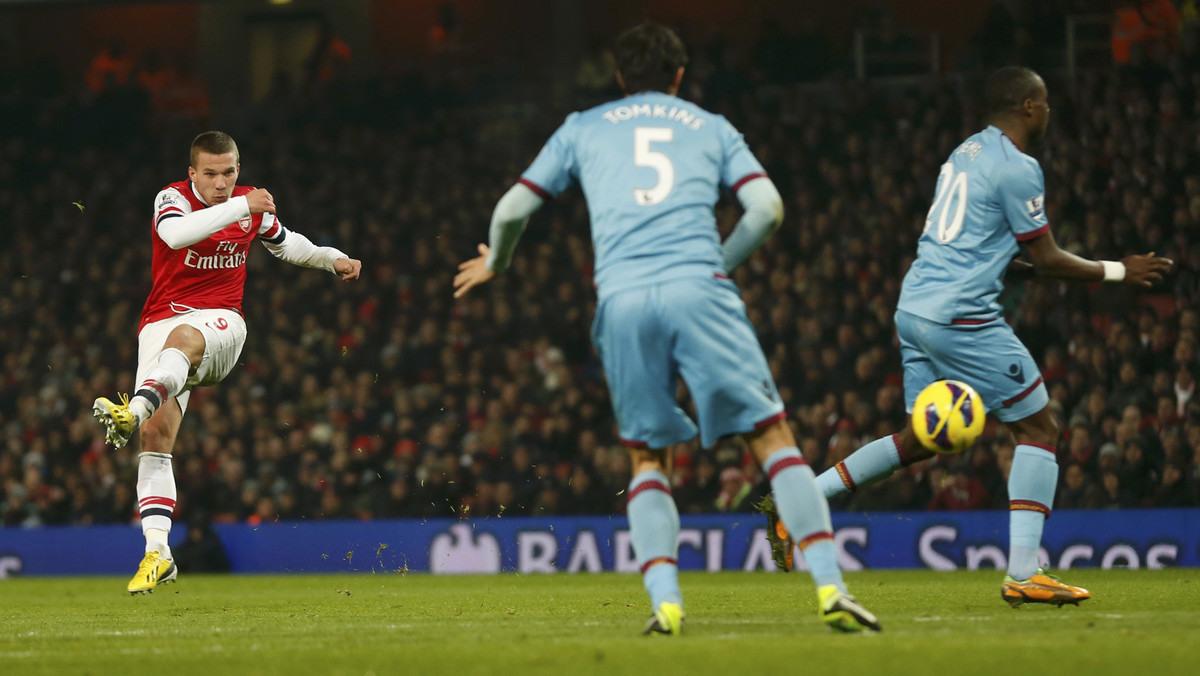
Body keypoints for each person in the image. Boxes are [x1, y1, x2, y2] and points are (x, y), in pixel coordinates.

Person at [453, 23, 880, 635]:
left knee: (648, 456)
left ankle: (666, 605)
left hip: (622, 301)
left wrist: (497, 260)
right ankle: (832, 589)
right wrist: (718, 265)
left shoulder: (583, 126)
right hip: (699, 289)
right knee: (772, 439)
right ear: (680, 75)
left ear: (621, 78)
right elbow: (769, 209)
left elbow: (512, 209)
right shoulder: (710, 126)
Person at [766, 66, 1172, 607]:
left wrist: (1023, 266)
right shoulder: (1018, 168)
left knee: (919, 439)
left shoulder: (965, 154)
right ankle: (1025, 572)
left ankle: (799, 502)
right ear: (1028, 107)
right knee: (1039, 428)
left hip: (914, 309)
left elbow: (993, 251)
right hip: (960, 317)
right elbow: (1046, 255)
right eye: (1045, 104)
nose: (1049, 113)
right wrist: (1119, 270)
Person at [92, 131, 362, 594]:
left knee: (183, 343)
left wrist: (331, 259)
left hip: (221, 324)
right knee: (155, 441)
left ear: (238, 168)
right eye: (211, 174)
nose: (222, 182)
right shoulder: (172, 199)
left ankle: (132, 408)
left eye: (230, 173)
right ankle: (158, 553)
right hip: (158, 322)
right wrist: (244, 206)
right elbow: (176, 235)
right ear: (192, 172)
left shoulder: (247, 209)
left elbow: (286, 242)